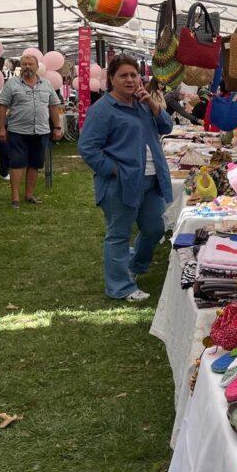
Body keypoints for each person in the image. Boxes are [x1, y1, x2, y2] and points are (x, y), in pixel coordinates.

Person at [78, 54, 173, 302]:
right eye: (123, 75)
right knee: (119, 234)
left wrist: (153, 105)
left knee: (155, 229)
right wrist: (114, 170)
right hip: (121, 183)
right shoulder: (102, 110)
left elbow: (167, 127)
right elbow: (87, 148)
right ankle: (120, 287)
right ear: (111, 79)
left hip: (152, 180)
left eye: (134, 75)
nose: (130, 80)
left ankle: (134, 266)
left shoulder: (142, 104)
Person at [0, 53, 62, 208]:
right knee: (17, 163)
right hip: (18, 131)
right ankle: (15, 198)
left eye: (30, 64)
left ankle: (29, 195)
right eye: (24, 64)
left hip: (41, 131)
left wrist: (57, 127)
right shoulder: (12, 84)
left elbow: (53, 106)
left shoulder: (46, 84)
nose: (27, 67)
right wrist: (1, 128)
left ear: (37, 67)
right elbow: (2, 106)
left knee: (35, 163)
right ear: (21, 67)